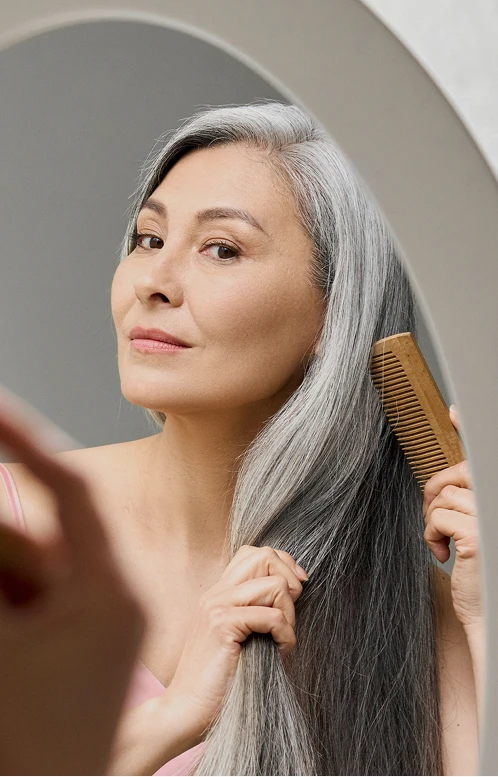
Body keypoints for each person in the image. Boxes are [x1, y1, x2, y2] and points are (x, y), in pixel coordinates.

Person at [0, 100, 482, 776]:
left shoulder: (415, 613)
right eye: (148, 239)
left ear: (333, 315)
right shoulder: (10, 530)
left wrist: (487, 621)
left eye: (221, 249)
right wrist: (176, 716)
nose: (156, 283)